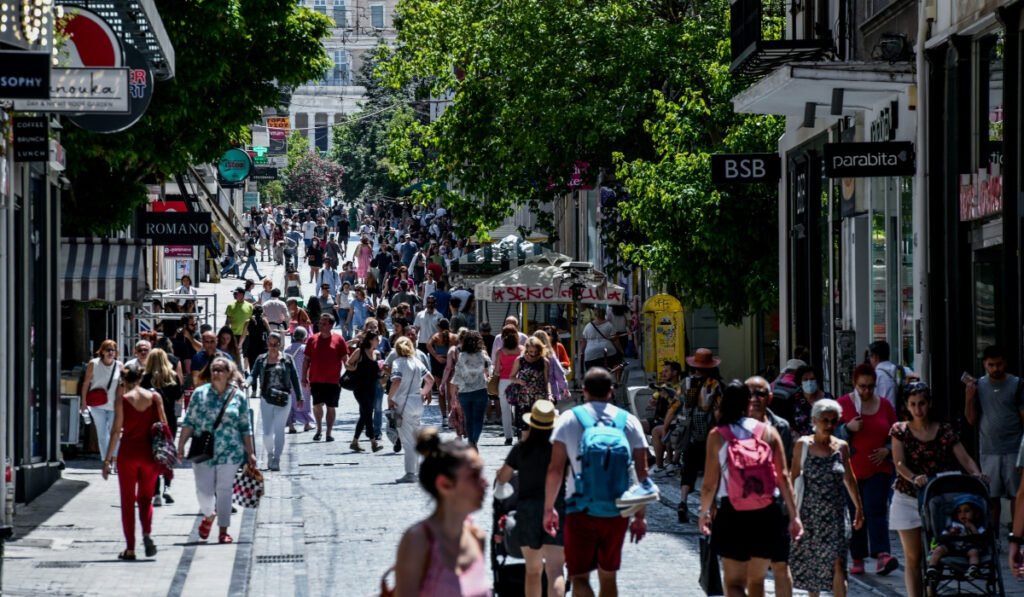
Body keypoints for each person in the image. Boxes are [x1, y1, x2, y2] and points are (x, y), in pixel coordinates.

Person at [543, 368, 648, 597]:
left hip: (579, 508)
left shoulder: (568, 419)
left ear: (584, 390)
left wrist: (549, 508)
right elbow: (643, 473)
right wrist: (640, 515)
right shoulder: (629, 421)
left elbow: (555, 470)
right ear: (611, 391)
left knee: (579, 577)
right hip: (617, 510)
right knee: (608, 576)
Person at [698, 381, 803, 597]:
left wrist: (704, 513)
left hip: (732, 514)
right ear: (747, 405)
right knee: (756, 581)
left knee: (735, 584)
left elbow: (709, 484)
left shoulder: (718, 435)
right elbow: (783, 477)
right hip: (767, 513)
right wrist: (794, 516)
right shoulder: (769, 432)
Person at [890, 381, 985, 597]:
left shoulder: (943, 430)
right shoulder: (900, 430)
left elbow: (965, 458)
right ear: (907, 406)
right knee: (914, 556)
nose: (918, 409)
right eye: (913, 404)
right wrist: (914, 477)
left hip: (938, 500)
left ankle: (931, 592)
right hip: (909, 496)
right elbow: (899, 463)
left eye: (922, 403)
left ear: (929, 403)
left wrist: (976, 475)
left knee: (937, 551)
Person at [391, 429, 490, 596]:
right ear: (445, 484)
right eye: (474, 475)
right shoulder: (418, 541)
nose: (485, 483)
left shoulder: (477, 538)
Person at [789, 399, 864, 597]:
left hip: (837, 516)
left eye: (834, 421)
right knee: (814, 567)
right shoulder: (802, 446)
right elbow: (793, 477)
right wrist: (790, 512)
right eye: (825, 420)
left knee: (838, 563)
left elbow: (849, 477)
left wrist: (858, 507)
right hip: (810, 515)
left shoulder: (842, 447)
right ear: (814, 420)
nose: (830, 425)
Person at [178, 357, 257, 544]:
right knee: (203, 491)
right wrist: (180, 445)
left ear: (229, 373)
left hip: (230, 450)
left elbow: (246, 426)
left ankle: (224, 530)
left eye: (221, 369)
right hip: (204, 449)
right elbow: (189, 422)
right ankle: (209, 514)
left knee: (224, 490)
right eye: (214, 369)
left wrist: (251, 452)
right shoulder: (200, 394)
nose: (216, 373)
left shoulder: (238, 396)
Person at [496, 400, 566, 597]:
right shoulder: (560, 449)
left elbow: (503, 477)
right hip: (556, 508)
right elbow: (570, 477)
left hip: (527, 510)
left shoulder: (521, 449)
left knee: (532, 570)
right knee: (555, 571)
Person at [838, 362, 898, 576]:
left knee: (875, 509)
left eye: (870, 387)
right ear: (854, 384)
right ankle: (858, 557)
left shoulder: (885, 406)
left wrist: (888, 450)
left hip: (879, 469)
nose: (866, 391)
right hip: (851, 470)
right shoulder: (843, 404)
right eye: (862, 386)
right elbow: (830, 435)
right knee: (856, 512)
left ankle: (882, 554)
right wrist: (847, 428)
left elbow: (897, 434)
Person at [102, 366, 168, 560]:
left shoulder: (122, 401)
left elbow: (115, 431)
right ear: (141, 378)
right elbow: (163, 425)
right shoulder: (155, 398)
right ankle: (147, 533)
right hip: (149, 453)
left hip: (128, 453)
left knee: (128, 502)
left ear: (124, 380)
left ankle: (130, 548)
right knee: (146, 498)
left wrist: (107, 461)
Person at [745, 376, 795, 597]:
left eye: (760, 394)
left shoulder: (780, 427)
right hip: (743, 508)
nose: (755, 399)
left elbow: (785, 471)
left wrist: (794, 513)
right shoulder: (732, 427)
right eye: (750, 394)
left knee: (780, 566)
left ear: (770, 398)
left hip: (775, 507)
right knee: (753, 570)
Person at [964, 344, 1023, 529]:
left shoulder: (1016, 384)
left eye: (998, 364)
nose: (995, 369)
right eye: (991, 365)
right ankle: (993, 536)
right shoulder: (979, 385)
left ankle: (1017, 533)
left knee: (1017, 494)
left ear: (1004, 363)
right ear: (984, 365)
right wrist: (969, 397)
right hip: (989, 449)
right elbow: (971, 419)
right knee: (992, 496)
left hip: (1013, 447)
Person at [676, 349, 722, 521]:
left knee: (688, 469)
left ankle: (682, 501)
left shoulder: (685, 383)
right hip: (709, 435)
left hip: (689, 433)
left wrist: (666, 426)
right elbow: (719, 411)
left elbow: (675, 406)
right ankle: (709, 507)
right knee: (710, 470)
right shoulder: (714, 385)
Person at [247, 332, 302, 470]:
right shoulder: (261, 359)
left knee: (279, 429)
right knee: (267, 432)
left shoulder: (288, 359)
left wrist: (300, 396)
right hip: (266, 398)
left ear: (280, 344)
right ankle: (270, 454)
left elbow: (295, 379)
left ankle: (277, 458)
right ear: (267, 344)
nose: (272, 347)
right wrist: (246, 383)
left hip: (283, 398)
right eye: (270, 344)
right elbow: (253, 375)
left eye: (275, 344)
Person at [387, 337, 435, 481]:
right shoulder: (417, 362)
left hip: (403, 403)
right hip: (417, 403)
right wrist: (422, 393)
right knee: (415, 438)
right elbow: (430, 380)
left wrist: (390, 397)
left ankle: (410, 473)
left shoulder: (397, 362)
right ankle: (419, 470)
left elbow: (396, 380)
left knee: (408, 441)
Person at [142, 348, 182, 506]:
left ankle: (156, 492)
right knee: (167, 454)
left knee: (153, 456)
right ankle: (167, 486)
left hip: (151, 421)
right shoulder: (172, 376)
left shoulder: (145, 378)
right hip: (169, 420)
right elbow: (179, 395)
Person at [302, 313, 350, 442]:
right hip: (316, 379)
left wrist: (351, 372)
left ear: (330, 325)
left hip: (333, 380)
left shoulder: (339, 340)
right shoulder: (312, 339)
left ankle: (329, 432)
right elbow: (306, 360)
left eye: (324, 323)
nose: (320, 325)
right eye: (320, 323)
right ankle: (319, 429)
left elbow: (345, 359)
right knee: (317, 405)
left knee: (330, 406)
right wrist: (303, 378)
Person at [80, 340, 122, 469]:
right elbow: (86, 383)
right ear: (102, 351)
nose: (110, 352)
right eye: (108, 349)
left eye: (113, 350)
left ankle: (115, 460)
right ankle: (107, 462)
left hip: (114, 405)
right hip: (97, 405)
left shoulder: (119, 366)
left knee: (115, 433)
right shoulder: (94, 364)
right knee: (102, 434)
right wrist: (84, 402)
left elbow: (123, 385)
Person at [926, 495, 986, 580]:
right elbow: (944, 535)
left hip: (968, 546)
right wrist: (951, 532)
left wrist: (972, 527)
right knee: (939, 550)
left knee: (974, 552)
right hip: (952, 545)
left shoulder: (978, 526)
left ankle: (973, 568)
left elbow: (980, 538)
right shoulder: (954, 524)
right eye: (959, 511)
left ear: (976, 513)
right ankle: (932, 567)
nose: (962, 514)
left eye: (967, 511)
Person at [450, 331, 491, 448]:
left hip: (464, 392)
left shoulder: (462, 356)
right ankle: (474, 441)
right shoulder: (482, 354)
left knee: (469, 419)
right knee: (478, 419)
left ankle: (470, 442)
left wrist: (453, 395)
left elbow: (457, 375)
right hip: (480, 390)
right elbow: (490, 370)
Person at [345, 330, 383, 453]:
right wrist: (354, 368)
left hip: (372, 388)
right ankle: (373, 442)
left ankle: (354, 442)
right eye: (377, 339)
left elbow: (378, 372)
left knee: (364, 415)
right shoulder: (359, 351)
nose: (378, 341)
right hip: (360, 388)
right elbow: (347, 364)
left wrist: (381, 373)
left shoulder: (377, 354)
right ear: (371, 340)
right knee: (368, 412)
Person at [508, 336, 553, 434]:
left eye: (536, 351)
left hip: (539, 398)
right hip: (524, 399)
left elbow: (547, 381)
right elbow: (511, 377)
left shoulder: (544, 361)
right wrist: (518, 381)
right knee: (525, 428)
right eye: (531, 351)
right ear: (526, 349)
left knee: (539, 428)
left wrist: (549, 394)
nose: (533, 354)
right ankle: (525, 447)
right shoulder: (520, 360)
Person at [494, 326, 525, 445]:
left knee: (505, 410)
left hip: (504, 382)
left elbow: (497, 370)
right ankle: (520, 432)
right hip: (518, 381)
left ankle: (508, 437)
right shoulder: (522, 350)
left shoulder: (500, 352)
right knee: (519, 408)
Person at [867, 340, 914, 411]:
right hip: (904, 418)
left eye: (869, 357)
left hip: (884, 418)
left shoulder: (874, 377)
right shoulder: (905, 370)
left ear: (875, 357)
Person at [284, 327, 315, 434]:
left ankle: (291, 426)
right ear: (305, 337)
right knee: (305, 402)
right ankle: (307, 423)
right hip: (303, 380)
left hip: (289, 381)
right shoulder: (305, 349)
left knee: (290, 402)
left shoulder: (287, 349)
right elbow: (310, 365)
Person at [791, 364, 833, 440]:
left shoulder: (828, 399)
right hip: (802, 446)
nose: (809, 382)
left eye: (812, 379)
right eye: (805, 379)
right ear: (800, 382)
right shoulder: (794, 401)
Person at [427, 318, 457, 420]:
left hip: (438, 363)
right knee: (450, 393)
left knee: (441, 392)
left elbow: (428, 345)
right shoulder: (454, 337)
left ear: (438, 327)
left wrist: (436, 356)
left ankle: (444, 417)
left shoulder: (435, 336)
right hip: (450, 363)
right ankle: (451, 416)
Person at [581, 307, 622, 374]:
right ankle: (614, 381)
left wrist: (581, 352)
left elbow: (584, 341)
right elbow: (615, 340)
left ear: (595, 315)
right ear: (604, 314)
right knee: (610, 369)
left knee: (592, 375)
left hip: (591, 354)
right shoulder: (609, 325)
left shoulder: (588, 326)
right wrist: (621, 351)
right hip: (608, 352)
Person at [241, 305, 271, 371]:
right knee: (263, 369)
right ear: (261, 312)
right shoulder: (264, 321)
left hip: (251, 347)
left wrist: (240, 344)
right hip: (262, 347)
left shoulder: (248, 322)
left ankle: (252, 380)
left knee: (252, 369)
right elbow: (270, 333)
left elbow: (243, 335)